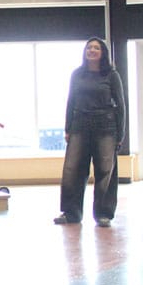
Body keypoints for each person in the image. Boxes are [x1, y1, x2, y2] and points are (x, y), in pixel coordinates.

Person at [54, 37, 125, 227]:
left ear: (103, 53)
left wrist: (120, 134)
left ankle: (103, 214)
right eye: (89, 48)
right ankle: (71, 213)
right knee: (72, 170)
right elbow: (70, 101)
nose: (91, 50)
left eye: (96, 48)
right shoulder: (77, 74)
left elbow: (120, 105)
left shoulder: (111, 75)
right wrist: (68, 127)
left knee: (105, 171)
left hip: (106, 127)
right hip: (80, 125)